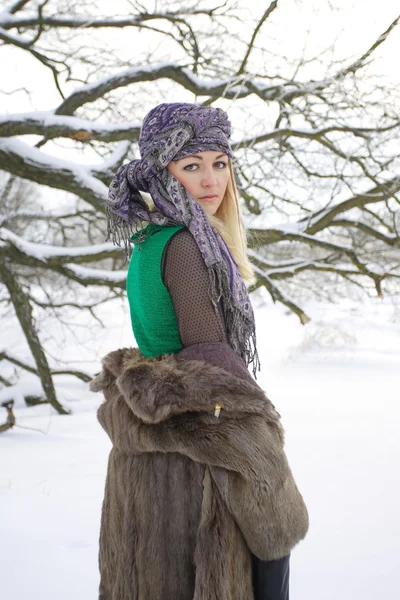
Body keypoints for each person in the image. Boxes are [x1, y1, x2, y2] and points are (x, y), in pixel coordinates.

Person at [90, 103, 309, 600]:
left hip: (151, 468)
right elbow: (212, 368)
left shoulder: (150, 241)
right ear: (162, 174)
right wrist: (264, 450)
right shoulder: (188, 245)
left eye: (220, 162)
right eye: (191, 166)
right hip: (199, 465)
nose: (211, 180)